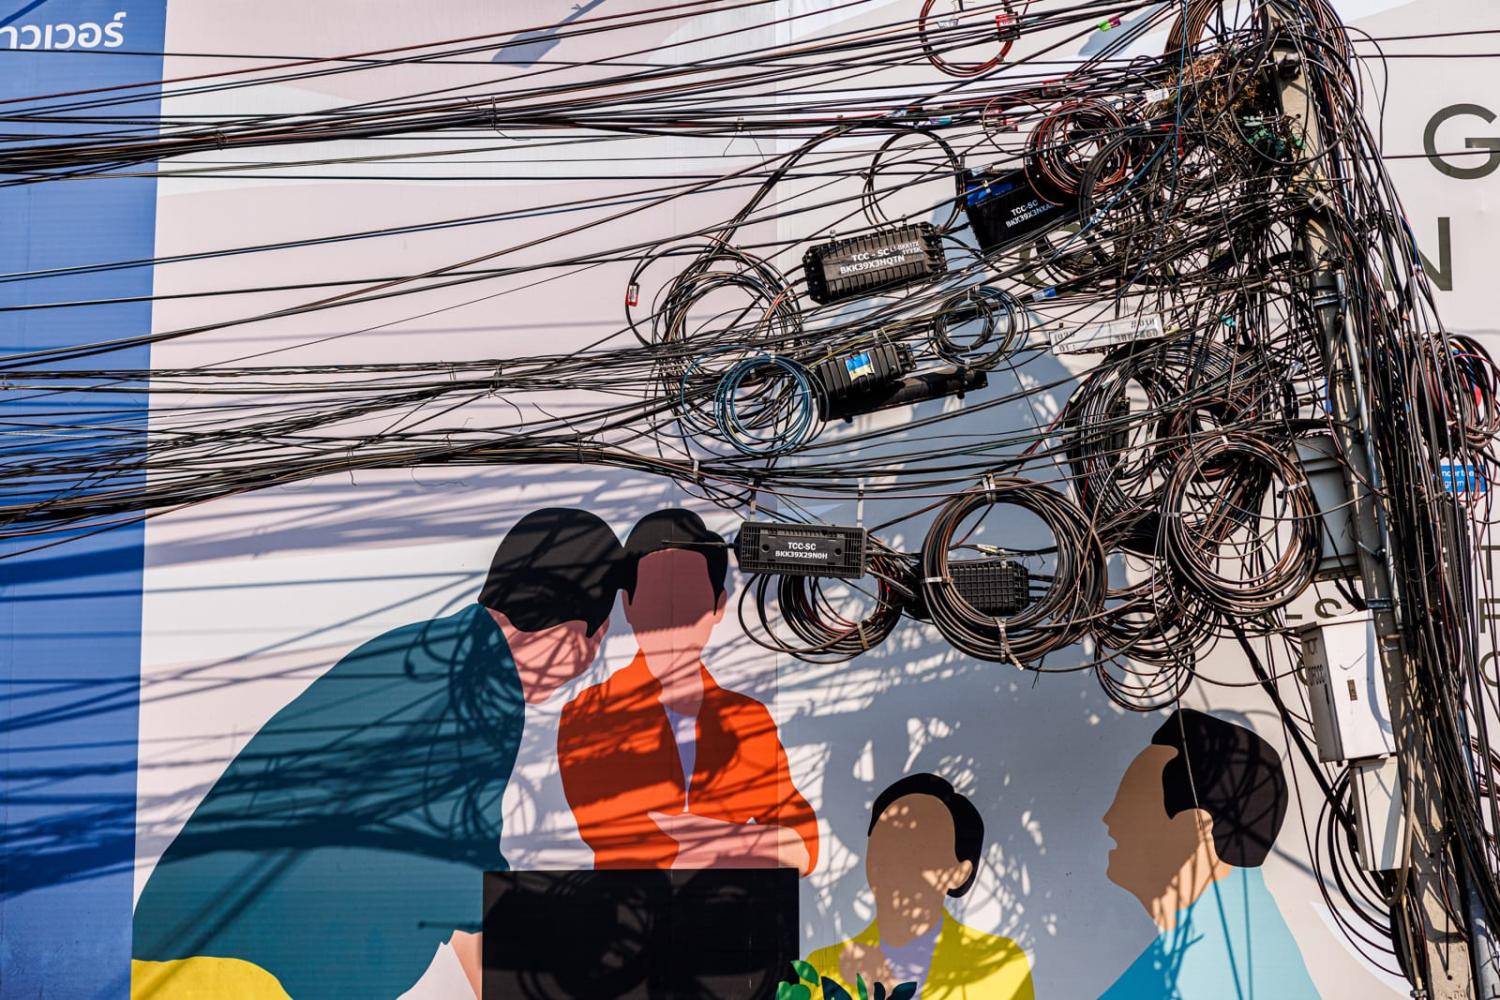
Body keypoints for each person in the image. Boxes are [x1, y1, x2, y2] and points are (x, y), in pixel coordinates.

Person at [132, 508, 623, 1000]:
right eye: (598, 638)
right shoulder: (480, 689)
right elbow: (460, 876)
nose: (589, 663)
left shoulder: (432, 653)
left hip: (200, 959)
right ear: (577, 632)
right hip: (248, 975)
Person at [557, 508, 818, 873]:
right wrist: (747, 842)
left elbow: (803, 843)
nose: (673, 619)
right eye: (655, 597)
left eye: (690, 597)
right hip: (627, 916)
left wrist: (700, 838)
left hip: (731, 918)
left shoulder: (747, 719)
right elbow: (617, 835)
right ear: (628, 606)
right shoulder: (587, 715)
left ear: (717, 607)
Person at [1099, 709, 1318, 999]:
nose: (1109, 818)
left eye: (1131, 804)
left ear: (1197, 826)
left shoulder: (1212, 958)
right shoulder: (1217, 938)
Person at [806, 774, 1035, 1000]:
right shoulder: (821, 968)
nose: (892, 860)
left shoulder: (1000, 966)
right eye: (885, 841)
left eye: (918, 849)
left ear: (959, 873)